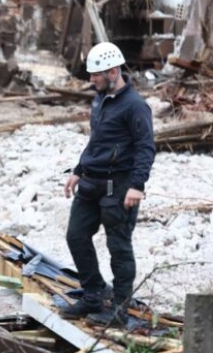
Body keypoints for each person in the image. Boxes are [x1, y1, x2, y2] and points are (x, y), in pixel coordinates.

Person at [58, 42, 154, 327]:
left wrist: (137, 185)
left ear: (113, 72)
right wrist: (79, 169)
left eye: (95, 75)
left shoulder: (135, 106)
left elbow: (146, 148)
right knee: (76, 236)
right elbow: (96, 140)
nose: (91, 80)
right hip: (90, 183)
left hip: (119, 187)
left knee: (119, 247)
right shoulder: (99, 99)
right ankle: (93, 294)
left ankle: (120, 310)